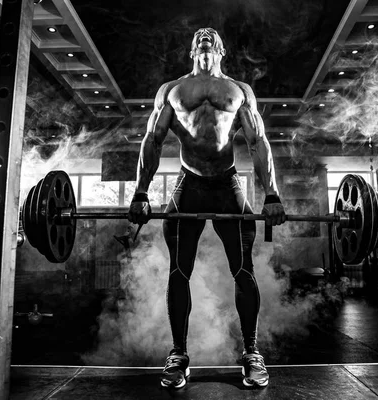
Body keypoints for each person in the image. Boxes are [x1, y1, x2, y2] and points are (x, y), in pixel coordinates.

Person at [128, 27, 286, 389]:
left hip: (228, 184)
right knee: (178, 271)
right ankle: (179, 355)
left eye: (210, 35)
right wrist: (140, 191)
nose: (204, 35)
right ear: (191, 50)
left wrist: (272, 195)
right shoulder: (172, 90)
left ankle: (251, 353)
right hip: (189, 185)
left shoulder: (240, 91)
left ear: (221, 49)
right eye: (199, 35)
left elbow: (259, 141)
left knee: (243, 270)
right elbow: (152, 141)